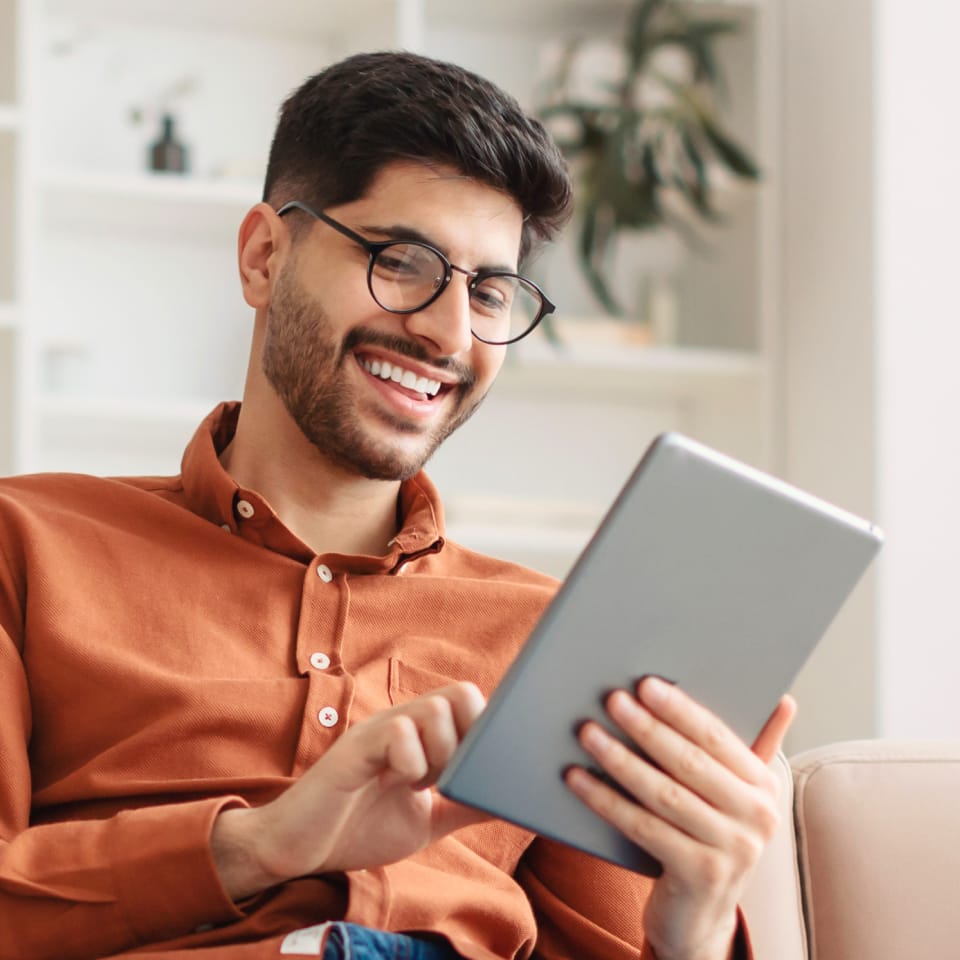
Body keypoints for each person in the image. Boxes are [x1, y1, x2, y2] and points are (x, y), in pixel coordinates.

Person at [0, 51, 794, 960]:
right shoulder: (26, 544)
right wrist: (258, 844)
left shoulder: (551, 640)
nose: (448, 333)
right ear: (265, 256)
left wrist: (691, 929)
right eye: (402, 260)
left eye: (490, 291)